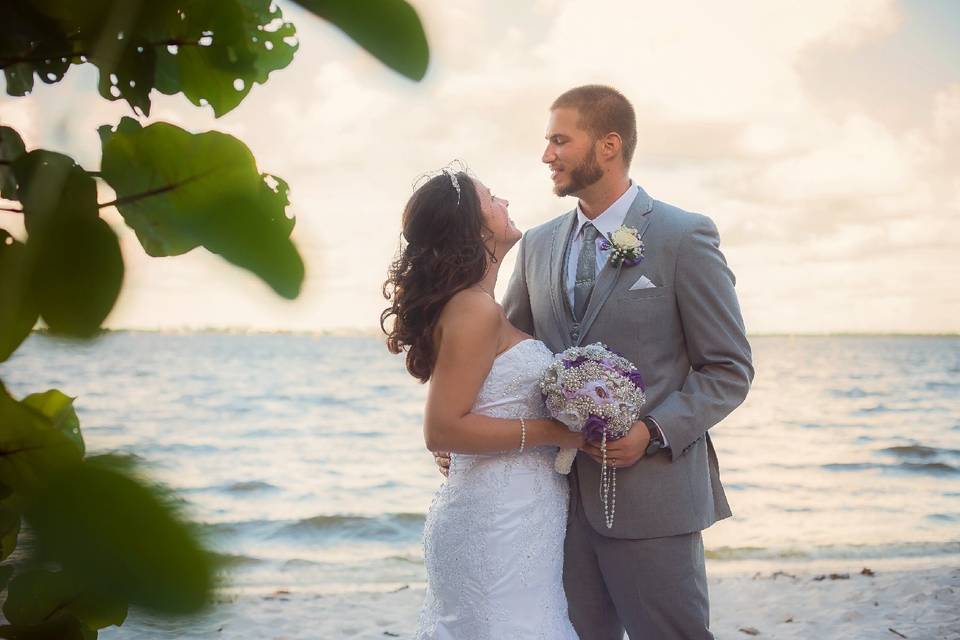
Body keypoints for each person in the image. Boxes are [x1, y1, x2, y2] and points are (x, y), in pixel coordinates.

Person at [434, 85, 754, 639]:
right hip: (554, 505)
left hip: (654, 502)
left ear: (608, 145)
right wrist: (456, 426)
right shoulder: (535, 244)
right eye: (547, 141)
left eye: (560, 140)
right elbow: (508, 351)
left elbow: (728, 368)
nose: (547, 155)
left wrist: (652, 430)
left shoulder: (683, 236)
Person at [381, 168, 583, 639]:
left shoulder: (477, 303)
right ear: (475, 226)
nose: (505, 200)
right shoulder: (474, 308)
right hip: (496, 525)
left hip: (514, 517)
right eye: (492, 197)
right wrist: (557, 433)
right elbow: (443, 429)